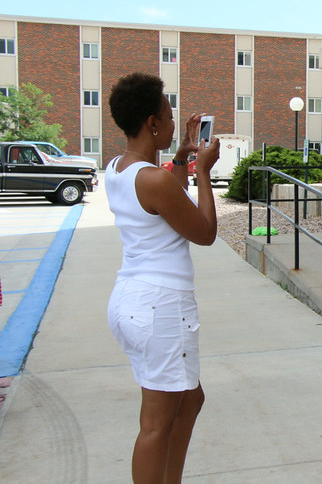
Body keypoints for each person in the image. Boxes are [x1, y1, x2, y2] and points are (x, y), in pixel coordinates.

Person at [105, 72, 220, 483]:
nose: (174, 126)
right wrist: (203, 170)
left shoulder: (116, 169)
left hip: (131, 300)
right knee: (156, 423)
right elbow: (205, 232)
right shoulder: (155, 180)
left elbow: (162, 205)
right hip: (161, 307)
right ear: (152, 123)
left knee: (189, 401)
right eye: (169, 119)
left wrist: (184, 160)